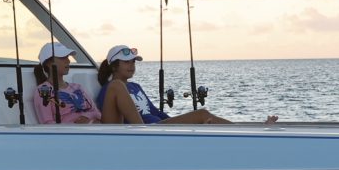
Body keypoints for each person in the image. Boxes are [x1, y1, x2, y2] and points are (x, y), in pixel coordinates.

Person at [95, 44, 267, 126]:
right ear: (114, 65)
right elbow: (113, 118)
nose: (131, 65)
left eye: (133, 62)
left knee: (204, 118)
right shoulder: (111, 89)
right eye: (126, 62)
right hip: (145, 131)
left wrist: (179, 124)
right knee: (202, 114)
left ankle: (248, 130)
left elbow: (156, 112)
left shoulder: (136, 87)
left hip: (157, 127)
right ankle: (247, 132)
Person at [32, 41, 101, 124]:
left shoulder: (78, 87)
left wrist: (86, 118)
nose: (68, 61)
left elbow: (97, 113)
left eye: (67, 57)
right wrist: (74, 126)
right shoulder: (43, 90)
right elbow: (47, 124)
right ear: (49, 63)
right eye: (62, 58)